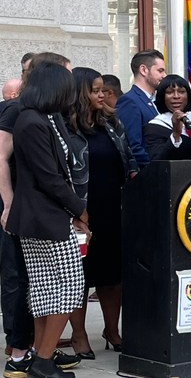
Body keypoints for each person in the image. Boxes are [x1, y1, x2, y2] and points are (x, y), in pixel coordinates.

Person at [7, 62, 87, 378]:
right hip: (45, 218)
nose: (71, 94)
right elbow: (50, 179)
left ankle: (41, 360)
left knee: (46, 290)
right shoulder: (31, 122)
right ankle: (41, 360)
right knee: (68, 288)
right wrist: (79, 211)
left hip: (43, 217)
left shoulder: (42, 118)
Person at [65, 67, 139, 357]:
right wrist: (74, 210)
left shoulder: (111, 120)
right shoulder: (65, 127)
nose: (102, 94)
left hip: (114, 208)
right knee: (79, 278)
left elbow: (128, 155)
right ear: (79, 92)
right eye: (95, 89)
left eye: (102, 89)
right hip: (81, 211)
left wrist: (134, 178)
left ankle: (113, 330)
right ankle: (79, 335)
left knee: (112, 276)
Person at [115, 49, 167, 167]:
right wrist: (153, 169)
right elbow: (132, 146)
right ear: (143, 70)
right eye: (160, 71)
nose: (164, 75)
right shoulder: (129, 101)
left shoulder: (157, 100)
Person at [143, 75, 191, 161]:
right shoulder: (155, 127)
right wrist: (175, 135)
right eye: (170, 92)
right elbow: (157, 161)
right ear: (162, 96)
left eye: (181, 92)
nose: (176, 96)